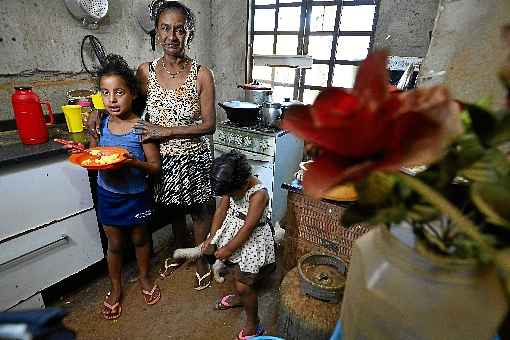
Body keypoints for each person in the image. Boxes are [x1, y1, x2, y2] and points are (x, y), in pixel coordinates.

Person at [131, 0, 216, 290]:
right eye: (165, 29)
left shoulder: (202, 74)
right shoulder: (145, 73)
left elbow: (208, 125)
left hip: (194, 157)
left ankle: (203, 259)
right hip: (163, 161)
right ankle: (182, 252)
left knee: (200, 211)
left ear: (189, 33)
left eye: (180, 30)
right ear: (156, 32)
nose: (172, 37)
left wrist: (164, 131)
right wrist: (97, 112)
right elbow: (127, 105)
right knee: (174, 210)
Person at [89, 54, 162, 319]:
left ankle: (143, 277)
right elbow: (94, 155)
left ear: (131, 93)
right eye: (106, 93)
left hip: (136, 196)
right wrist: (88, 143)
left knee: (141, 239)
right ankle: (116, 287)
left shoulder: (142, 128)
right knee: (116, 244)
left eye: (119, 92)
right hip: (108, 195)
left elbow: (155, 168)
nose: (112, 99)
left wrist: (132, 163)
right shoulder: (102, 123)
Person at [203, 151, 276, 340]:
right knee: (236, 272)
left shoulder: (259, 194)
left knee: (244, 285)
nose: (228, 196)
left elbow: (248, 228)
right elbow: (221, 210)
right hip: (234, 233)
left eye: (230, 194)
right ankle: (239, 299)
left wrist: (227, 249)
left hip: (251, 239)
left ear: (243, 185)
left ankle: (254, 325)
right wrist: (212, 239)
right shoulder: (233, 185)